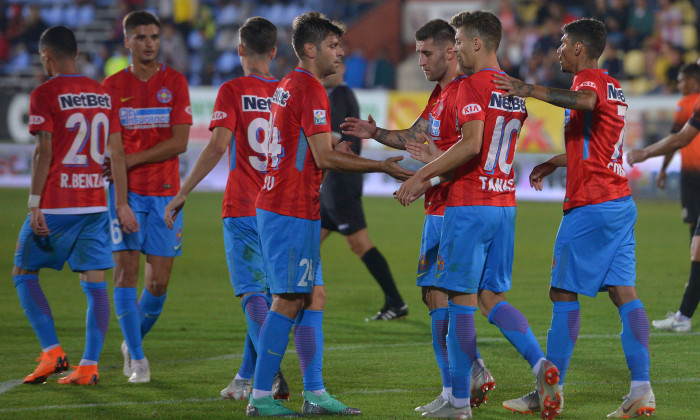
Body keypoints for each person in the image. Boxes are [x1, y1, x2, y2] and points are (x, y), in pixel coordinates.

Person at [396, 10, 561, 419]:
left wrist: (423, 177)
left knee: (460, 302)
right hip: (504, 204)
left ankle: (457, 403)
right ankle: (542, 366)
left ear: (476, 43)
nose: (454, 48)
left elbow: (470, 145)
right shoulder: (514, 90)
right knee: (492, 298)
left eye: (458, 40)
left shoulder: (471, 86)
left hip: (468, 206)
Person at [247, 11, 413, 417]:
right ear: (310, 49)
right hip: (289, 209)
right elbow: (321, 154)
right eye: (334, 46)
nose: (341, 52)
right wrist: (381, 166)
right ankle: (260, 397)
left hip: (294, 205)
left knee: (313, 296)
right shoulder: (310, 89)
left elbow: (310, 151)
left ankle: (316, 394)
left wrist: (329, 154)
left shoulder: (291, 84)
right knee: (287, 300)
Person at [495, 18, 655, 418]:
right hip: (619, 203)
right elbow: (598, 148)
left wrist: (530, 90)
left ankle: (549, 389)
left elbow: (584, 103)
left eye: (564, 43)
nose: (558, 49)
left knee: (562, 293)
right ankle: (641, 390)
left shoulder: (590, 84)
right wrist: (554, 161)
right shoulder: (612, 87)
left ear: (580, 48)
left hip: (591, 205)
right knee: (624, 293)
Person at [341, 19, 495, 413]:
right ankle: (469, 372)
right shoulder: (441, 95)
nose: (420, 60)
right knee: (435, 296)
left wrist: (424, 176)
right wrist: (374, 133)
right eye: (418, 52)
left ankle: (457, 388)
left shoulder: (463, 91)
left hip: (452, 206)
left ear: (449, 51)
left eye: (427, 53)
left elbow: (469, 149)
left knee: (449, 298)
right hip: (443, 205)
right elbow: (416, 136)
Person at [163, 16, 288, 401]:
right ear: (273, 52)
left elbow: (218, 146)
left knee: (252, 294)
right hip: (281, 209)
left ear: (239, 50)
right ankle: (244, 377)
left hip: (243, 205)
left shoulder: (233, 90)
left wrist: (184, 190)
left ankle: (273, 373)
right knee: (268, 297)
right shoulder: (287, 91)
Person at [14, 25, 137, 386]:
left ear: (47, 55)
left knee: (23, 274)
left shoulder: (45, 93)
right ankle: (88, 365)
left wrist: (35, 202)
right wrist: (120, 203)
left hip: (56, 204)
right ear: (77, 54)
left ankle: (53, 352)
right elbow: (117, 152)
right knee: (96, 283)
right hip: (95, 205)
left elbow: (44, 151)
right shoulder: (102, 95)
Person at [103, 10, 192, 384]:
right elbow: (114, 149)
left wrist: (131, 159)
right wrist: (121, 202)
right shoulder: (111, 87)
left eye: (154, 36)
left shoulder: (175, 82)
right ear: (127, 41)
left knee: (157, 285)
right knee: (126, 273)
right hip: (127, 193)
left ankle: (130, 341)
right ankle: (137, 358)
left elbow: (180, 142)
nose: (149, 43)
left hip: (166, 196)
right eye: (140, 37)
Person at [320, 58, 408, 321]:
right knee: (308, 241)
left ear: (343, 69)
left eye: (333, 68)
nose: (327, 72)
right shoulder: (342, 95)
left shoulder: (340, 95)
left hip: (340, 184)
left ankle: (396, 301)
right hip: (334, 185)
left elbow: (331, 142)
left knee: (359, 244)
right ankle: (292, 299)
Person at [628, 64, 700, 334]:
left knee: (697, 246)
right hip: (692, 178)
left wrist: (645, 154)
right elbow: (680, 138)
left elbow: (678, 139)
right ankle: (683, 316)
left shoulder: (687, 104)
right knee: (697, 247)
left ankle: (683, 315)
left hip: (693, 178)